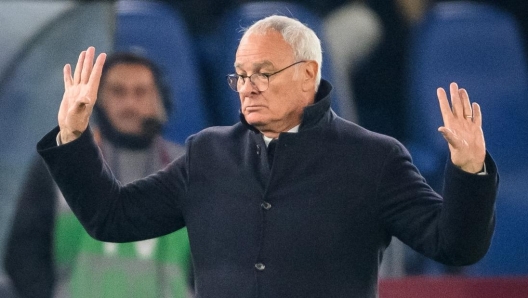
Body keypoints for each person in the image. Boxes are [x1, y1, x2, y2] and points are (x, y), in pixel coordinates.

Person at [36, 16, 498, 297]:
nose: (249, 85)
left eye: (264, 71)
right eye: (240, 75)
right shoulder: (208, 155)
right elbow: (112, 218)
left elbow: (455, 244)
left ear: (308, 75)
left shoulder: (374, 159)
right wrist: (74, 136)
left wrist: (469, 171)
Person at [4, 53, 193, 298]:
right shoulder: (62, 160)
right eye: (118, 91)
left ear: (160, 100)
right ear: (98, 98)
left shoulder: (190, 167)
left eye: (140, 92)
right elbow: (23, 253)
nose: (129, 104)